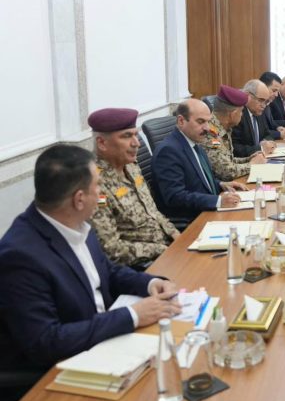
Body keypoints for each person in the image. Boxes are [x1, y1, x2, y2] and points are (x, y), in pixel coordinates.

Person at [0, 145, 181, 377]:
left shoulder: (74, 222)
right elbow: (45, 341)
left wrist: (149, 283)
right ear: (79, 199)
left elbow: (107, 270)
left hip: (106, 338)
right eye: (97, 185)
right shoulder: (20, 257)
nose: (101, 192)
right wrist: (133, 315)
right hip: (61, 369)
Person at [88, 108, 179, 268]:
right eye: (127, 136)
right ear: (102, 143)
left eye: (136, 135)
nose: (136, 143)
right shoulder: (93, 184)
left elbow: (152, 212)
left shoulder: (131, 166)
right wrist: (163, 250)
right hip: (142, 266)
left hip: (168, 248)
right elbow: (111, 249)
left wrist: (175, 235)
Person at [151, 98, 246, 226]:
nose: (207, 128)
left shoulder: (194, 141)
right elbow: (175, 196)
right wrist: (218, 201)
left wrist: (221, 184)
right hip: (192, 220)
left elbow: (199, 181)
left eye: (208, 121)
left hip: (207, 211)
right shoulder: (168, 151)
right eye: (200, 122)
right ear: (181, 121)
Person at [202, 84, 267, 181]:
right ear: (232, 115)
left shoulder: (224, 127)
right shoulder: (211, 133)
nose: (242, 115)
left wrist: (248, 159)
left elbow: (227, 160)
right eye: (241, 111)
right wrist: (252, 165)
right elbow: (226, 172)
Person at [232, 79, 277, 157]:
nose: (263, 105)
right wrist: (260, 148)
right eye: (260, 100)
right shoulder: (238, 114)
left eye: (266, 102)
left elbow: (267, 134)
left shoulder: (258, 111)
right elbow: (234, 148)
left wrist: (266, 142)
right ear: (247, 96)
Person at [260, 71, 285, 140]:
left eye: (277, 92)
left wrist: (278, 128)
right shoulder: (257, 106)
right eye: (274, 90)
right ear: (263, 87)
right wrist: (279, 134)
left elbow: (271, 123)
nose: (276, 95)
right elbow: (261, 132)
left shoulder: (267, 103)